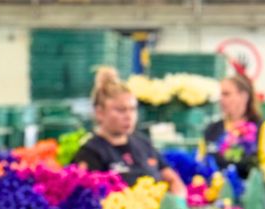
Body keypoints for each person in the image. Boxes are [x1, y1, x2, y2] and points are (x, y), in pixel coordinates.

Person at [72, 67, 187, 197]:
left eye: (132, 109)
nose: (128, 116)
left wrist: (178, 201)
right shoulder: (90, 153)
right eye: (121, 110)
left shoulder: (143, 143)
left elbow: (172, 179)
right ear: (99, 113)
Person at [202, 73, 265, 183]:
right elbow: (200, 162)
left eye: (226, 94)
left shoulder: (263, 127)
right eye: (221, 94)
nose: (221, 99)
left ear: (244, 96)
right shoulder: (211, 129)